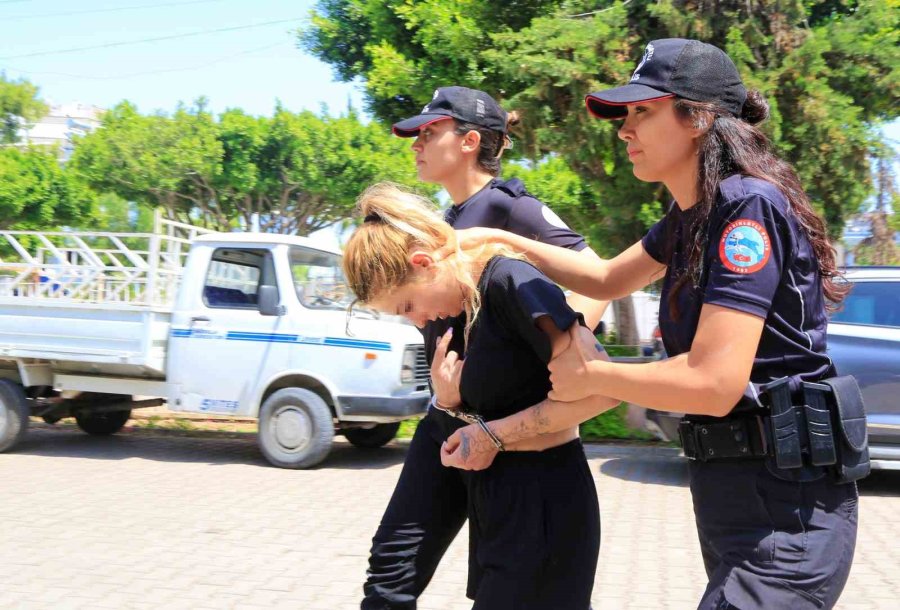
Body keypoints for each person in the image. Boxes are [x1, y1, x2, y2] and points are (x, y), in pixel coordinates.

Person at [440, 39, 859, 610]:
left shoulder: (746, 208)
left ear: (700, 118)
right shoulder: (691, 215)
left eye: (643, 111)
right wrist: (505, 240)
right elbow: (607, 280)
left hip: (787, 506)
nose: (624, 129)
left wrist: (596, 376)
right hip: (733, 492)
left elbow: (715, 382)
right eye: (625, 114)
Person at [361, 85, 608, 609]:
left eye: (430, 132)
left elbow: (599, 279)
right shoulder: (442, 223)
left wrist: (552, 358)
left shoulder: (508, 208)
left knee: (516, 581)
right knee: (392, 565)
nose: (416, 143)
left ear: (470, 141)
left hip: (510, 429)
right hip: (449, 416)